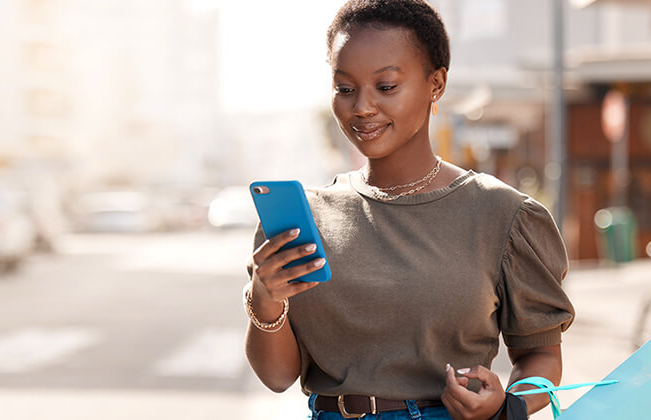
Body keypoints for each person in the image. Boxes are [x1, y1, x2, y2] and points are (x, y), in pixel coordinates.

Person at [243, 1, 575, 419]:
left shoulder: (503, 214)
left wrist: (505, 405)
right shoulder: (304, 221)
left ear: (436, 84)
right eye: (345, 88)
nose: (362, 107)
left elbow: (542, 357)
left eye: (386, 87)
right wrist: (265, 298)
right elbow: (277, 377)